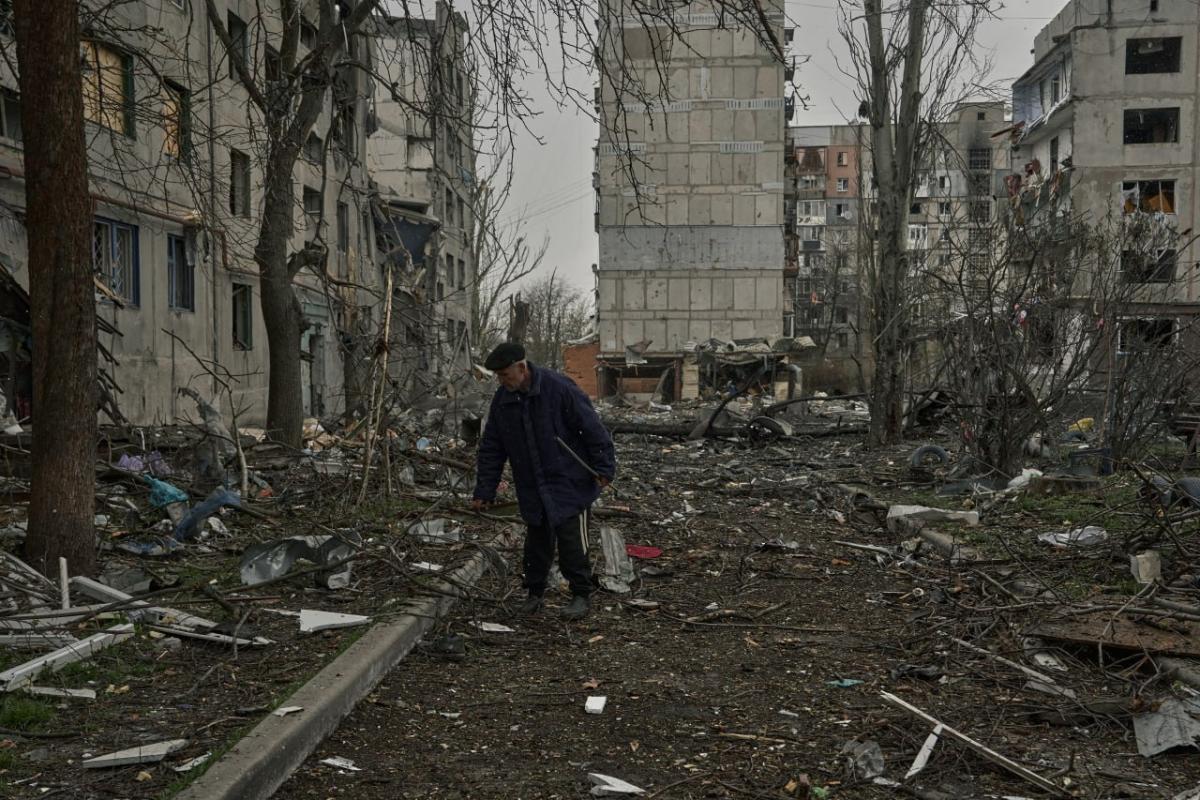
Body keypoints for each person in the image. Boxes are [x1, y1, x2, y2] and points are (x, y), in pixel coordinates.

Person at [471, 342, 616, 620]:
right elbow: (492, 447)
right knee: (536, 543)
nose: (501, 381)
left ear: (522, 368)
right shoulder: (503, 400)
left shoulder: (558, 388)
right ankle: (534, 593)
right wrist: (485, 490)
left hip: (570, 480)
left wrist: (604, 468)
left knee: (573, 542)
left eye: (505, 375)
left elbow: (593, 428)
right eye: (498, 376)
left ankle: (580, 594)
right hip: (531, 484)